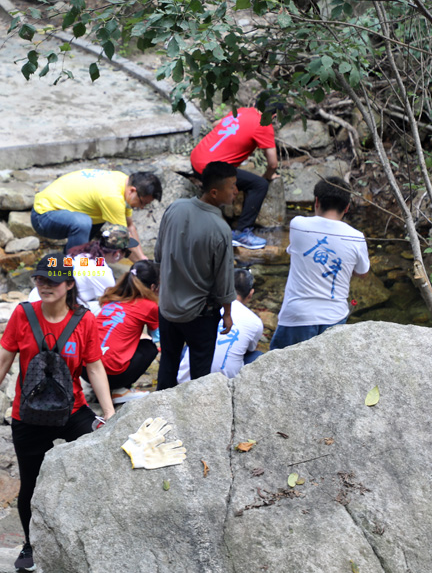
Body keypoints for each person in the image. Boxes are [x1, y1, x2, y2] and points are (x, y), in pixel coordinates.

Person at [0, 253, 115, 573]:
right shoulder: (23, 315)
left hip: (74, 411)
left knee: (97, 464)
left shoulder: (84, 321)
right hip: (29, 414)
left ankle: (89, 532)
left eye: (53, 281)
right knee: (30, 483)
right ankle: (30, 544)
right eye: (40, 279)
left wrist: (109, 413)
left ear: (69, 284)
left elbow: (94, 366)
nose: (45, 286)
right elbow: (3, 360)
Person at [154, 161, 238, 390]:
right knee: (200, 372)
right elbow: (224, 279)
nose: (236, 191)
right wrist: (228, 313)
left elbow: (159, 254)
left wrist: (159, 285)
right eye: (232, 186)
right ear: (214, 192)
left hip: (168, 308)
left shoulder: (175, 208)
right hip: (199, 313)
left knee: (168, 362)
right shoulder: (220, 228)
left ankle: (158, 411)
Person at [270, 177, 370, 350]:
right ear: (346, 208)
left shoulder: (298, 225)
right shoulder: (356, 237)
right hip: (335, 317)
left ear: (316, 201)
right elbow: (362, 272)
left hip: (298, 316)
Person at [189, 96, 282, 250]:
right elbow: (273, 164)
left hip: (196, 159)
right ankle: (241, 233)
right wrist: (268, 175)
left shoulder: (241, 111)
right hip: (210, 170)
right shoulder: (264, 124)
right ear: (274, 116)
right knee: (259, 185)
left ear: (254, 104)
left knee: (239, 176)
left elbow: (216, 124)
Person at [31, 169, 161, 260]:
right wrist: (141, 267)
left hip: (67, 213)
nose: (142, 207)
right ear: (133, 191)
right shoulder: (112, 197)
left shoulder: (124, 182)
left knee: (95, 219)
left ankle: (71, 257)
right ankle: (74, 273)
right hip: (44, 217)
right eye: (142, 202)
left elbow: (130, 226)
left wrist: (143, 258)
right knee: (84, 223)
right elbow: (123, 237)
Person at [177, 269, 266, 382]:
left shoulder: (207, 306)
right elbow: (249, 349)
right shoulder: (255, 321)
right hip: (225, 385)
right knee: (256, 355)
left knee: (189, 345)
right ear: (250, 294)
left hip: (185, 380)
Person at [27, 224, 136, 314]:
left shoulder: (80, 254)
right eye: (126, 253)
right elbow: (111, 300)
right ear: (117, 253)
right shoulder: (101, 270)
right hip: (51, 306)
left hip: (35, 298)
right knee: (113, 308)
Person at [92, 259, 160, 401]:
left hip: (88, 371)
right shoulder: (149, 306)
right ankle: (120, 390)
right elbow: (158, 337)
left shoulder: (111, 297)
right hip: (113, 376)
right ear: (153, 287)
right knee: (149, 347)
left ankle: (99, 387)